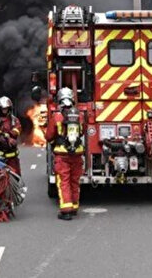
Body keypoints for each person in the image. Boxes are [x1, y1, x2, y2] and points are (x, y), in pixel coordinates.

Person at [45, 87, 85, 220]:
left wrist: (56, 140)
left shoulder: (56, 117)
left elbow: (49, 136)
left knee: (64, 181)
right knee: (75, 181)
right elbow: (82, 132)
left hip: (62, 155)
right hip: (77, 154)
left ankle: (66, 210)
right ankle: (74, 206)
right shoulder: (79, 116)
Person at [0, 96, 21, 174]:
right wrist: (3, 137)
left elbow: (17, 129)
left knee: (16, 175)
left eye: (6, 108)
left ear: (9, 109)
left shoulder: (14, 120)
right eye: (3, 109)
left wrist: (10, 135)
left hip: (12, 156)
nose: (4, 110)